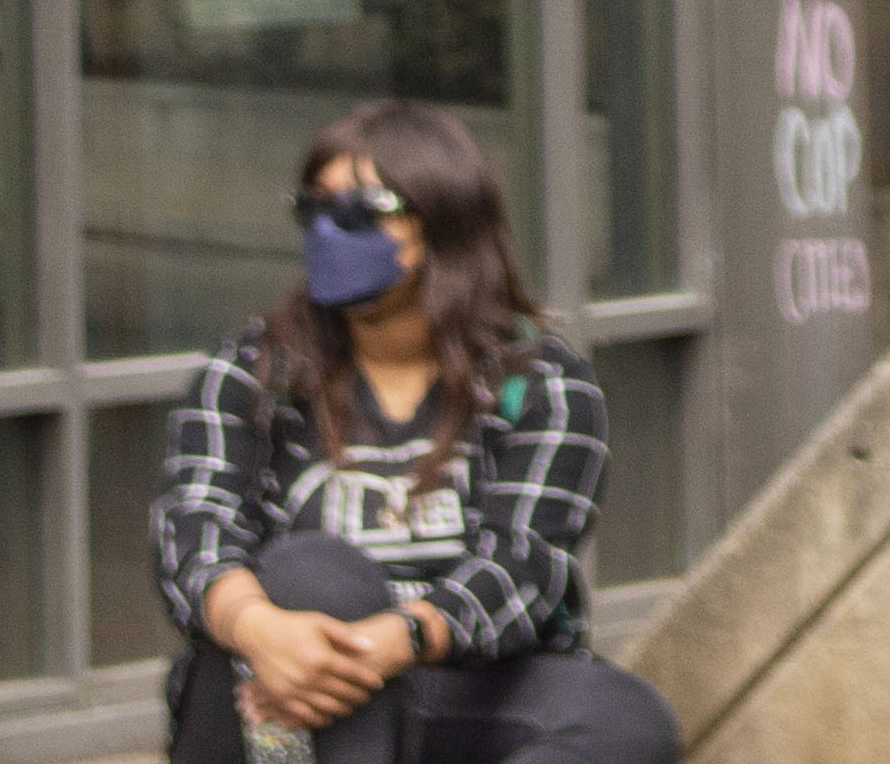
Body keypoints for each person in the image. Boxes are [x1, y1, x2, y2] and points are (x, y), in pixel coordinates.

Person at [147, 101, 675, 764]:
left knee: (625, 718)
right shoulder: (256, 369)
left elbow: (525, 566)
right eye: (315, 209)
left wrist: (396, 641)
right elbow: (194, 524)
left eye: (360, 212)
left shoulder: (540, 381)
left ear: (444, 221)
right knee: (316, 573)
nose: (330, 233)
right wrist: (259, 629)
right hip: (274, 695)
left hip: (452, 677)